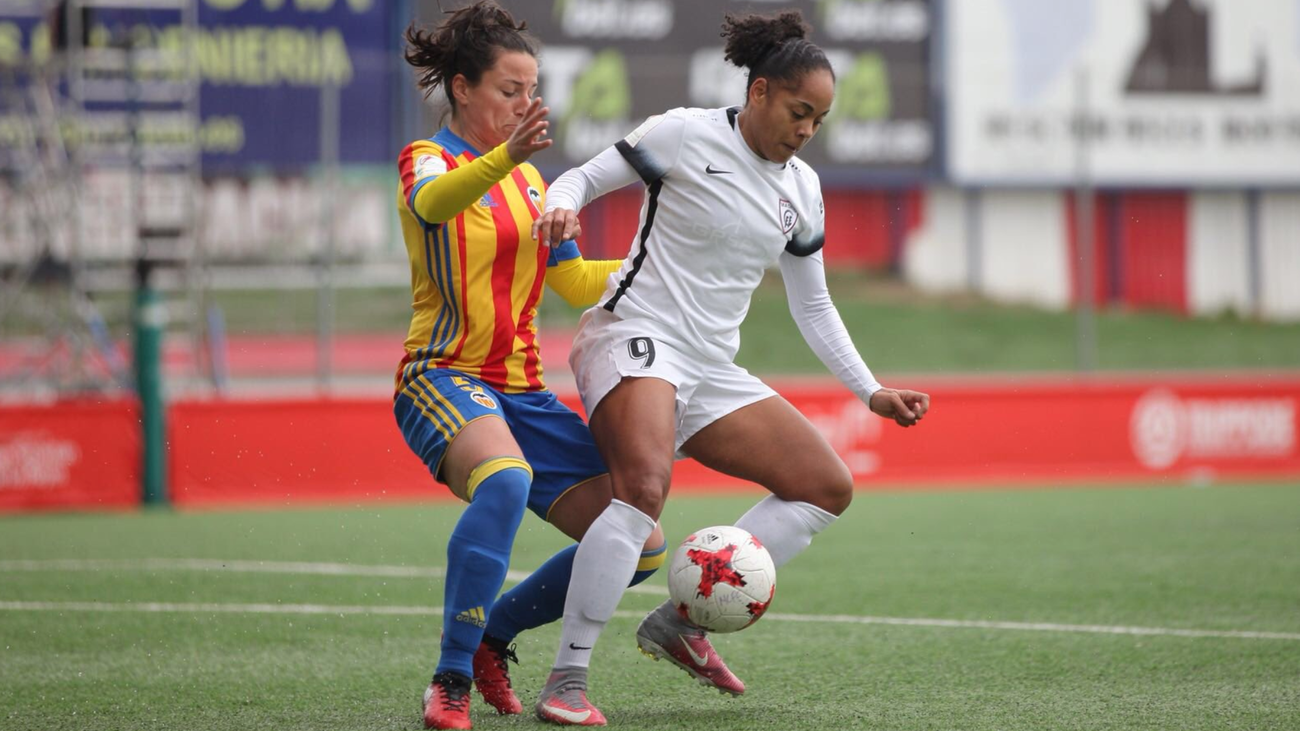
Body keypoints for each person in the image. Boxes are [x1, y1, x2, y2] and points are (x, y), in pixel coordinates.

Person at [529, 10, 931, 725]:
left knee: (825, 486)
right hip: (633, 336)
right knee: (643, 491)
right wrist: (559, 208)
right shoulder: (683, 133)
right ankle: (567, 678)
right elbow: (580, 180)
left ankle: (681, 623)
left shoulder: (802, 188)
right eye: (799, 111)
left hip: (709, 366)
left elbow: (814, 305)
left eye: (820, 120)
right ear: (760, 92)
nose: (807, 130)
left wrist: (869, 390)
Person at [392, 3, 666, 729]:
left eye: (531, 90)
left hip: (523, 393)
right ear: (462, 88)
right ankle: (450, 677)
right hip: (442, 376)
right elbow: (433, 205)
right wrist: (507, 156)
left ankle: (494, 633)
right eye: (509, 89)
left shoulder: (533, 184)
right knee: (505, 480)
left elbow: (572, 283)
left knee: (639, 542)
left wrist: (662, 266)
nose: (525, 103)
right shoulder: (429, 159)